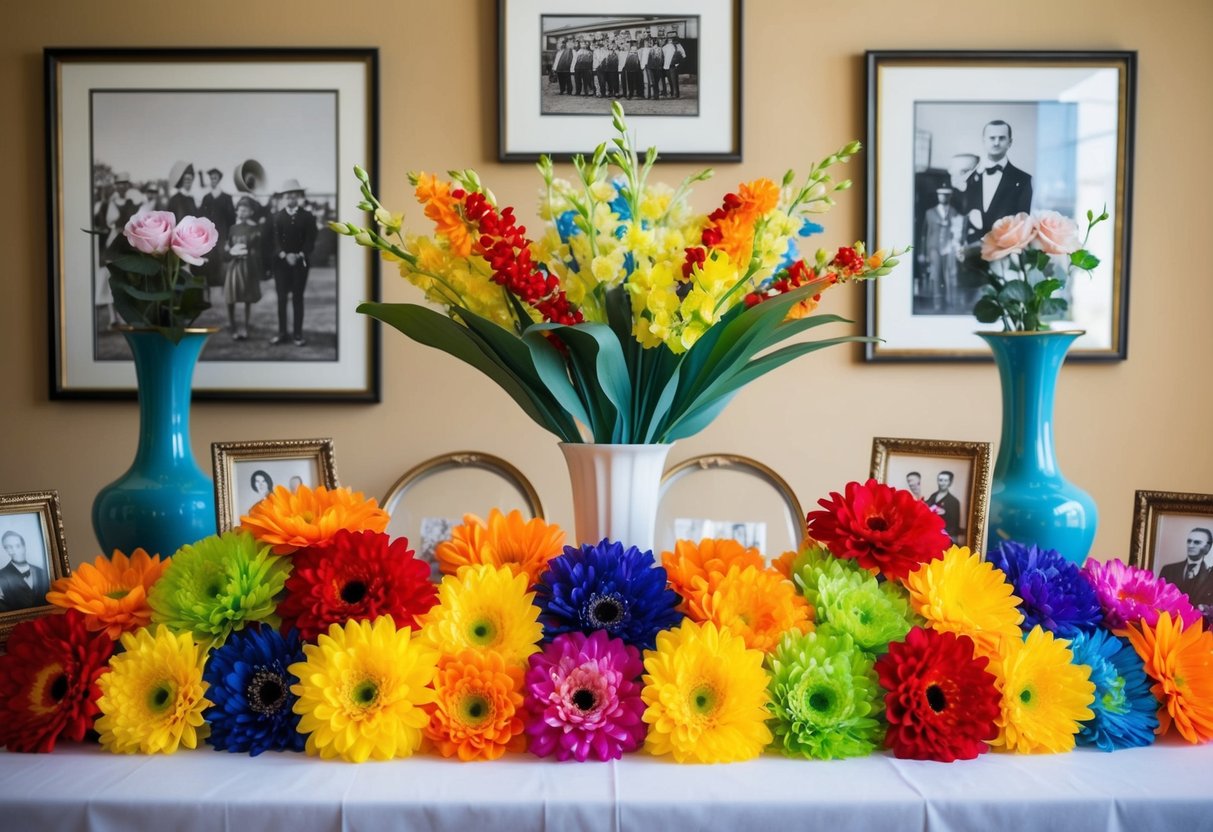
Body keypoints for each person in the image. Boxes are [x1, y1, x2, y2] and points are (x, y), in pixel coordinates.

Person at [960, 120, 1033, 241]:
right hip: (969, 253)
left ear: (1010, 142)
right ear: (984, 141)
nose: (996, 143)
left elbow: (1022, 225)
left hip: (1004, 253)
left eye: (1002, 138)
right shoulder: (969, 178)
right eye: (992, 138)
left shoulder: (1023, 180)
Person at [269, 179, 318, 347]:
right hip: (281, 264)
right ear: (283, 197)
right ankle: (282, 333)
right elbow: (274, 240)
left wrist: (299, 254)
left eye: (294, 196)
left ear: (298, 197)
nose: (291, 199)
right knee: (282, 298)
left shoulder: (308, 216)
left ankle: (298, 334)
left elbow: (311, 239)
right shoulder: (277, 217)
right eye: (288, 196)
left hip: (300, 262)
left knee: (298, 298)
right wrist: (283, 254)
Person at [223, 197, 264, 340]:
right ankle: (232, 326)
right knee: (231, 296)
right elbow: (227, 248)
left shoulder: (254, 228)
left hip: (248, 265)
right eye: (240, 209)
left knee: (247, 297)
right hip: (234, 266)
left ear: (250, 212)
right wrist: (231, 252)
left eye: (245, 210)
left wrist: (249, 253)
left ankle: (246, 327)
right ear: (237, 211)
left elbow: (258, 249)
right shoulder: (232, 229)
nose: (242, 212)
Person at [920, 185, 963, 312]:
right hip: (934, 247)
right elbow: (924, 234)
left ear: (950, 196)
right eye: (941, 194)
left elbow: (958, 230)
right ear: (938, 195)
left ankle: (951, 302)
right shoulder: (929, 212)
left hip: (949, 248)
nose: (943, 197)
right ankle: (937, 303)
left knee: (951, 274)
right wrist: (922, 253)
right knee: (936, 274)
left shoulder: (954, 212)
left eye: (946, 194)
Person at [199, 167, 236, 297]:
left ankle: (224, 292)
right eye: (211, 178)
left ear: (219, 179)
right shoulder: (206, 198)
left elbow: (232, 220)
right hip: (209, 237)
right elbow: (201, 219)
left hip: (222, 236)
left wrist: (228, 239)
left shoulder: (226, 198)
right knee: (208, 261)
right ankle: (208, 292)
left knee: (222, 262)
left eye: (215, 178)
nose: (213, 180)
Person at [1159, 527, 1213, 608]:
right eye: (1189, 541)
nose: (1191, 545)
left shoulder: (1210, 576)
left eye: (1197, 542)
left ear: (1207, 547)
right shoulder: (1168, 570)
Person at [0, 531, 50, 611]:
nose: (13, 551)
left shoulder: (41, 572)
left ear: (24, 546)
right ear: (5, 550)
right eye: (8, 547)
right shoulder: (1, 575)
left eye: (18, 546)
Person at [925, 471, 962, 543]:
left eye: (945, 480)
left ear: (950, 482)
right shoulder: (933, 496)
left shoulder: (953, 501)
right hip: (929, 535)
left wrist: (945, 512)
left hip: (944, 537)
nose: (942, 483)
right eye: (940, 480)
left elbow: (954, 524)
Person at [661, 31, 686, 99]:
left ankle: (676, 94)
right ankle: (672, 93)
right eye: (669, 37)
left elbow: (683, 54)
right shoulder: (664, 46)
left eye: (671, 37)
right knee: (670, 80)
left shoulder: (677, 45)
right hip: (666, 66)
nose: (670, 39)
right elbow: (663, 55)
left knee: (674, 80)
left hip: (673, 65)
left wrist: (677, 62)